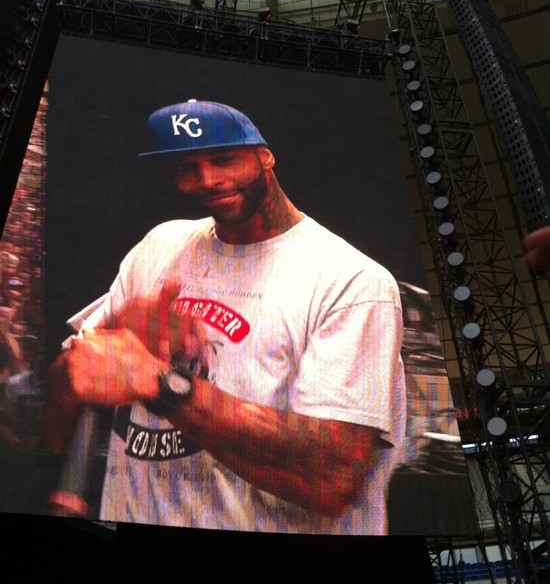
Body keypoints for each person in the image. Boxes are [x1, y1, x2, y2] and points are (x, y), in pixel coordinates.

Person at [44, 99, 406, 535]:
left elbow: (330, 478)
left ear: (265, 155)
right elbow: (58, 422)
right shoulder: (160, 247)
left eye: (224, 159)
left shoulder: (353, 281)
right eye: (186, 167)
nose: (208, 180)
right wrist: (92, 354)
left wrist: (161, 383)